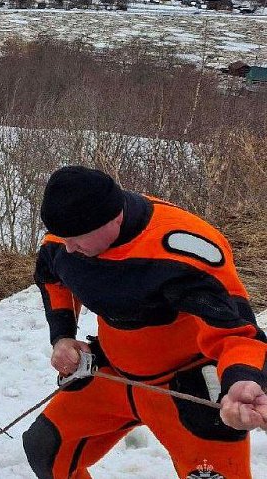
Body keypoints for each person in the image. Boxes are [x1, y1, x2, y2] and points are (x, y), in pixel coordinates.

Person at [24, 166, 267, 479]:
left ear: (114, 217)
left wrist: (241, 380)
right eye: (63, 237)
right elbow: (51, 276)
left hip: (185, 386)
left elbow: (238, 334)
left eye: (76, 238)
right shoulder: (66, 239)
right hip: (116, 376)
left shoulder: (181, 251)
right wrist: (62, 335)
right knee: (47, 450)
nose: (68, 247)